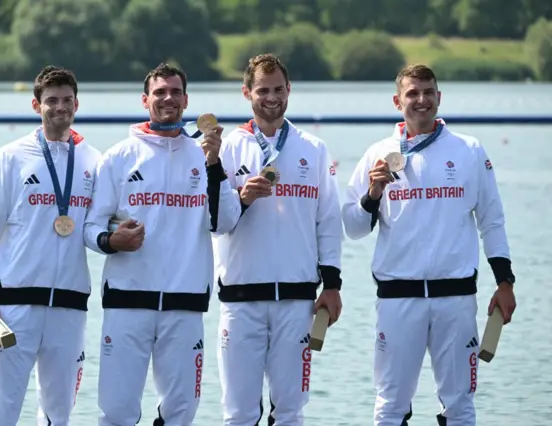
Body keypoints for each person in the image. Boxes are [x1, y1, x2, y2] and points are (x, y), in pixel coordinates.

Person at [341, 64, 517, 426]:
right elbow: (353, 227)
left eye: (428, 93)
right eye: (412, 93)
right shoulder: (378, 153)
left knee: (460, 407)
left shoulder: (468, 150)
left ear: (439, 97)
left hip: (455, 299)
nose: (421, 100)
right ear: (397, 101)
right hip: (397, 298)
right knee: (390, 406)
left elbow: (492, 221)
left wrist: (505, 282)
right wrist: (373, 195)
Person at [83, 62, 242, 426]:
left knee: (180, 413)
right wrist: (112, 240)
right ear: (145, 100)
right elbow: (89, 228)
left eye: (175, 92)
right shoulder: (119, 156)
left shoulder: (208, 156)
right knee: (117, 412)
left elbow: (224, 223)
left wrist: (214, 164)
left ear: (186, 100)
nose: (167, 98)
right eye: (160, 92)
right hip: (127, 302)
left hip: (184, 307)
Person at [212, 53, 344, 426]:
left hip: (297, 301)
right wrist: (241, 199)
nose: (271, 97)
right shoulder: (226, 149)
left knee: (290, 412)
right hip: (241, 301)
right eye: (262, 90)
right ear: (246, 93)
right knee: (239, 413)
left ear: (289, 90)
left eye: (278, 89)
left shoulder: (313, 149)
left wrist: (332, 286)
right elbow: (215, 224)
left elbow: (328, 223)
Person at [0, 65, 102, 425]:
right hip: (15, 308)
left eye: (67, 100)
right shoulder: (11, 156)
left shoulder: (92, 160)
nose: (60, 107)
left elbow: (99, 227)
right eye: (51, 100)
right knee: (1, 414)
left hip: (69, 310)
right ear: (35, 105)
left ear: (77, 103)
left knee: (59, 416)